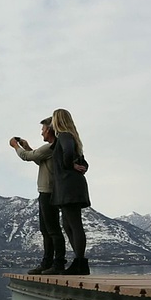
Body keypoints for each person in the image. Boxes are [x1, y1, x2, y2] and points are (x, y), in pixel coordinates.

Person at [10, 118, 67, 274]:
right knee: (46, 229)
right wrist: (26, 146)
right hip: (48, 192)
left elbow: (27, 157)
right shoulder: (52, 149)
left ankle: (57, 263)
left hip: (48, 192)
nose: (41, 131)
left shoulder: (51, 147)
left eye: (42, 129)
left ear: (49, 130)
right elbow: (38, 159)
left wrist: (15, 146)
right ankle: (48, 263)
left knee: (52, 230)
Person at [50, 108, 91, 275]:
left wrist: (71, 165)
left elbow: (68, 154)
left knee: (74, 224)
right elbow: (84, 162)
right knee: (68, 224)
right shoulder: (72, 138)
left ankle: (80, 262)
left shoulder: (65, 136)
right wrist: (79, 166)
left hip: (69, 186)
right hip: (71, 185)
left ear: (57, 120)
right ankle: (79, 261)